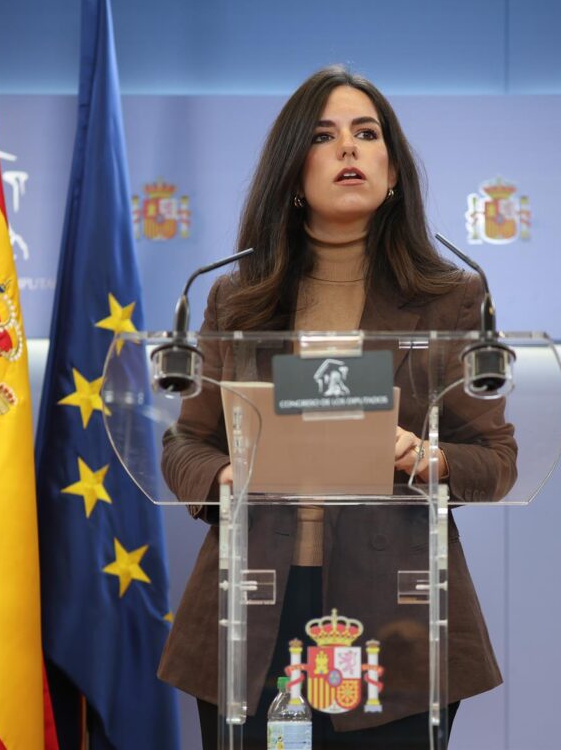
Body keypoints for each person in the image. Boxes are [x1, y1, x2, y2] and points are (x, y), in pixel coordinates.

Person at [157, 65, 516, 749]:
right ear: (294, 176)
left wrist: (424, 454)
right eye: (324, 136)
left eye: (366, 132)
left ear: (394, 170)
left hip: (397, 608)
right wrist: (229, 476)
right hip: (256, 610)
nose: (348, 148)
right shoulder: (235, 299)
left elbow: (496, 461)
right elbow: (184, 448)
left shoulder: (452, 301)